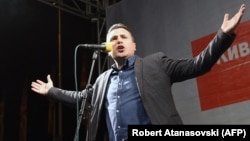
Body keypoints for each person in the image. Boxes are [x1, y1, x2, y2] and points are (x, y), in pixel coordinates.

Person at [31, 4, 246, 141]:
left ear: (134, 46)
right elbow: (79, 98)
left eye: (123, 37)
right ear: (107, 49)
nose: (118, 41)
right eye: (113, 39)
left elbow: (199, 64)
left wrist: (223, 35)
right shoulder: (101, 81)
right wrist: (52, 91)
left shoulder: (156, 64)